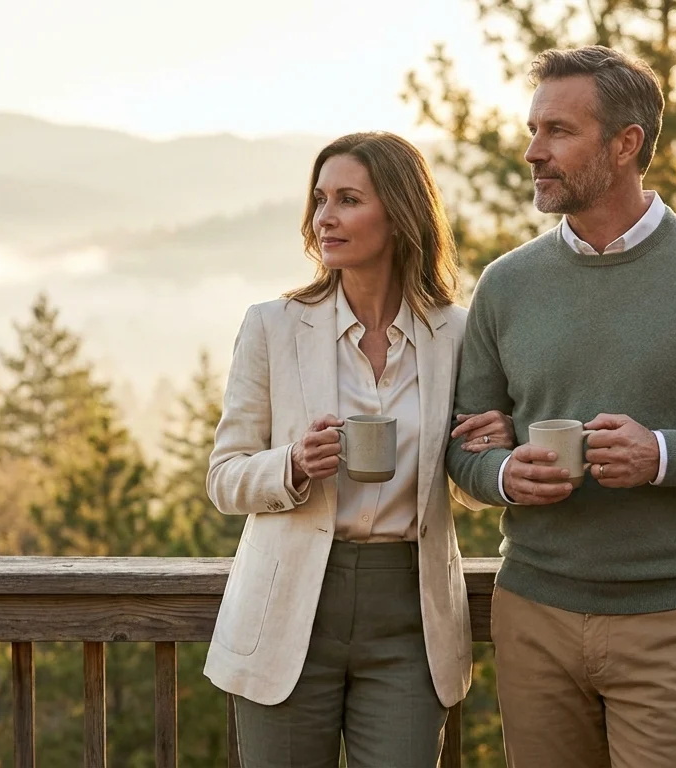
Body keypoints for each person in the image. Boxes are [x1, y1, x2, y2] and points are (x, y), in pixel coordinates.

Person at [445, 46, 676, 767]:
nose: (533, 152)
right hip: (532, 614)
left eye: (558, 131)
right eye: (533, 130)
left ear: (625, 144)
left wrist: (664, 455)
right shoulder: (506, 284)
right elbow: (464, 444)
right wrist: (501, 476)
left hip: (670, 618)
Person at [205, 131, 514, 767]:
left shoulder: (456, 332)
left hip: (411, 614)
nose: (325, 217)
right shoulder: (273, 325)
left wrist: (492, 445)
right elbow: (224, 476)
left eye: (348, 199)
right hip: (288, 610)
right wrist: (292, 463)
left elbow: (462, 478)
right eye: (320, 199)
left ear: (400, 214)